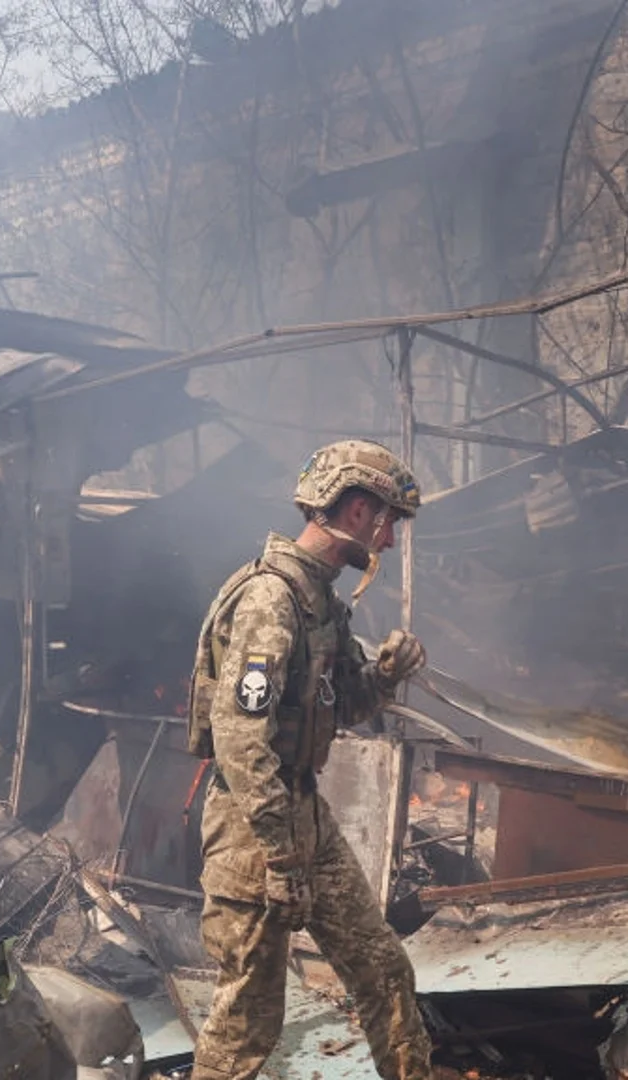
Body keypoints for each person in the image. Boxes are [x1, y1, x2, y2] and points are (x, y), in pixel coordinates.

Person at [186, 439, 433, 1080]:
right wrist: (279, 856)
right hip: (253, 829)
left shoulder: (319, 600)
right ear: (356, 511)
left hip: (302, 816)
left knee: (384, 971)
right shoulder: (272, 601)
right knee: (248, 1021)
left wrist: (383, 677)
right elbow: (241, 737)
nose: (390, 545)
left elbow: (341, 705)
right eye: (389, 525)